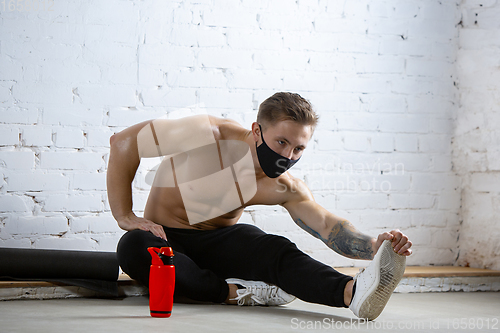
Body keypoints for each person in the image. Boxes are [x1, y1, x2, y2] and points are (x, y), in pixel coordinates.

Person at [108, 92, 412, 320]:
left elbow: (326, 226)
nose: (289, 155)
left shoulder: (282, 185)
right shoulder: (208, 136)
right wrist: (125, 215)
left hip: (219, 242)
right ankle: (233, 292)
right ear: (257, 131)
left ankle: (351, 293)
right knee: (133, 247)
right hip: (163, 237)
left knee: (276, 249)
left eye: (299, 148)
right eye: (281, 142)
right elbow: (124, 142)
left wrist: (374, 246)